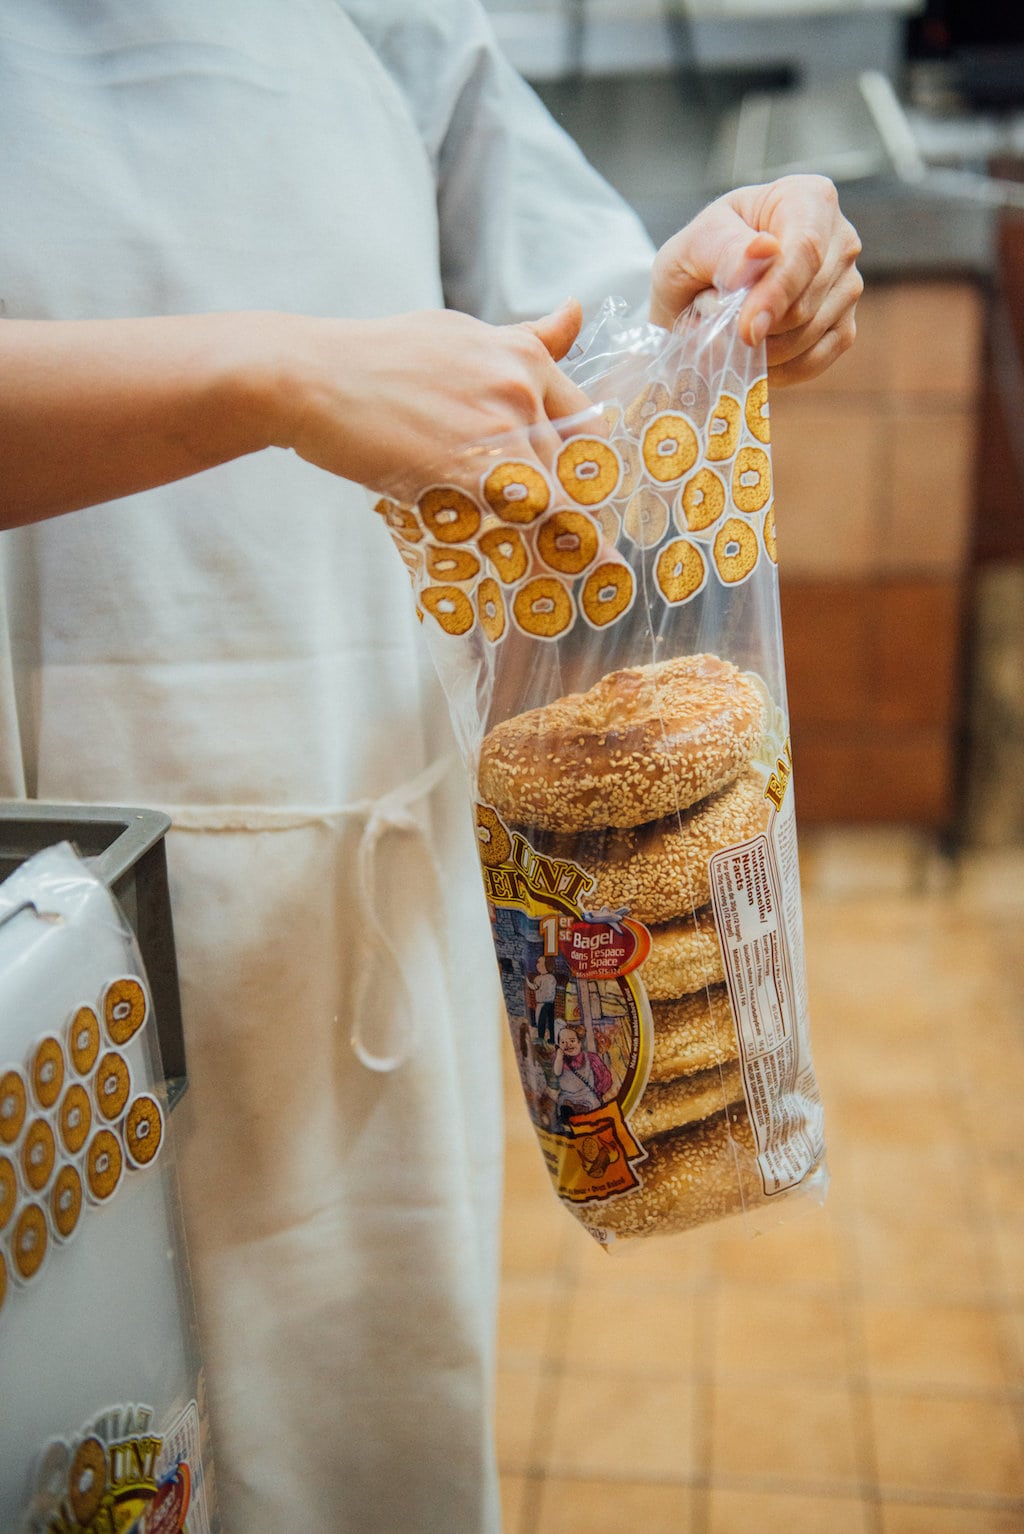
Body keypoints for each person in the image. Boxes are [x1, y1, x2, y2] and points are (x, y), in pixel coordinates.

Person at [0, 3, 862, 1530]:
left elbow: (562, 317)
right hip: (48, 884)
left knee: (366, 1420)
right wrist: (270, 374)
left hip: (365, 863)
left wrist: (709, 294)